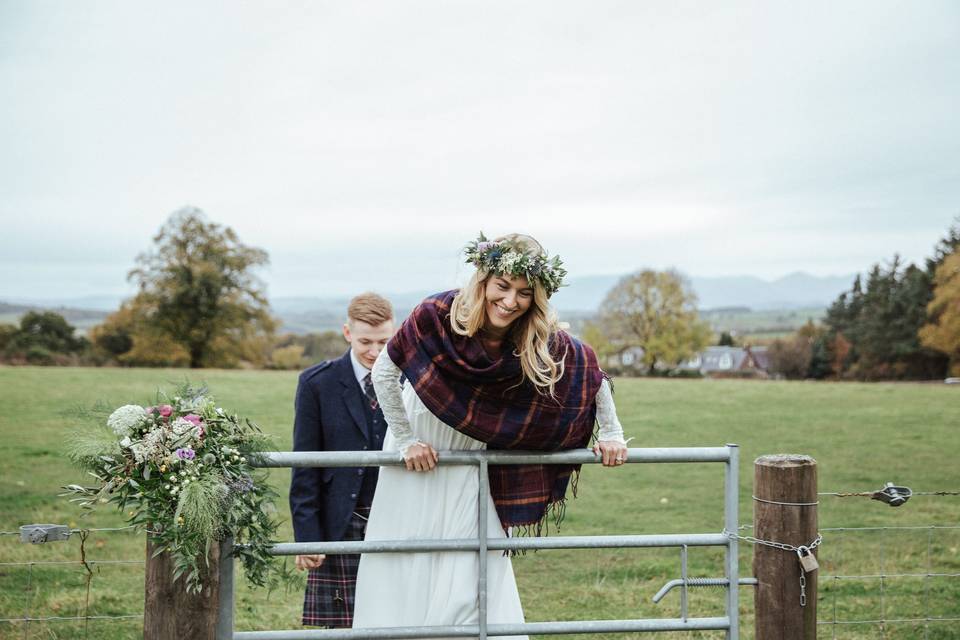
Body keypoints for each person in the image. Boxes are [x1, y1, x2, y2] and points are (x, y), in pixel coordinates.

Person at [352, 234, 628, 635]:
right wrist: (407, 440)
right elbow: (385, 371)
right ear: (483, 280)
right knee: (405, 552)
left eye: (524, 293)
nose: (511, 301)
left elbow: (590, 374)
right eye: (503, 286)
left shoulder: (535, 332)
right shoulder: (436, 314)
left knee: (471, 565)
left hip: (475, 456)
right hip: (418, 449)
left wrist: (613, 433)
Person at [289, 292, 395, 628]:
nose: (375, 352)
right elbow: (304, 464)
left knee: (397, 621)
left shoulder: (411, 381)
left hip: (399, 518)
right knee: (342, 629)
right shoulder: (316, 383)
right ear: (347, 333)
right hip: (341, 523)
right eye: (365, 341)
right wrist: (308, 537)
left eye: (384, 341)